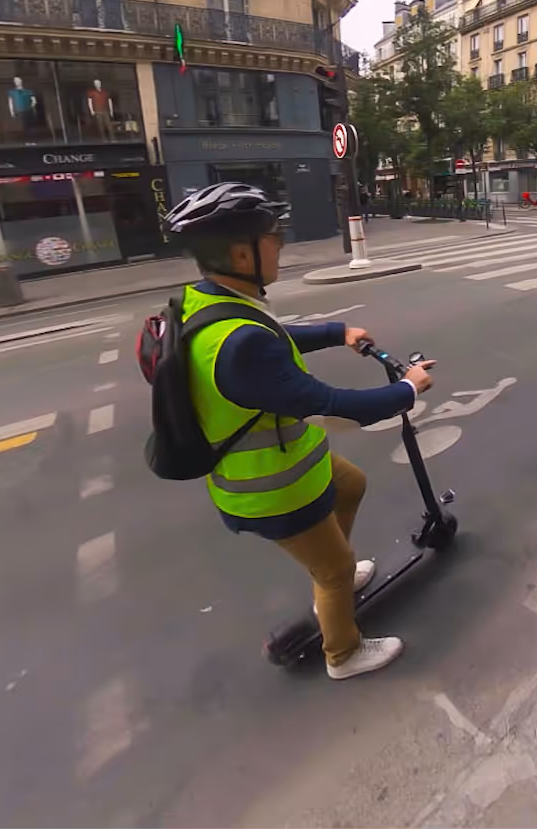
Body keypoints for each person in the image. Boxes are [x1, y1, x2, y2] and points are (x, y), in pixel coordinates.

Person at [160, 182, 435, 680]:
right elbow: (333, 408)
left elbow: (274, 339)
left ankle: (339, 568)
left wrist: (336, 332)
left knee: (351, 484)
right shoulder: (240, 344)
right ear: (242, 252)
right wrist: (408, 391)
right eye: (273, 236)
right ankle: (343, 653)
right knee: (330, 571)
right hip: (272, 490)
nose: (281, 244)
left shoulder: (207, 303)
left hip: (289, 463)